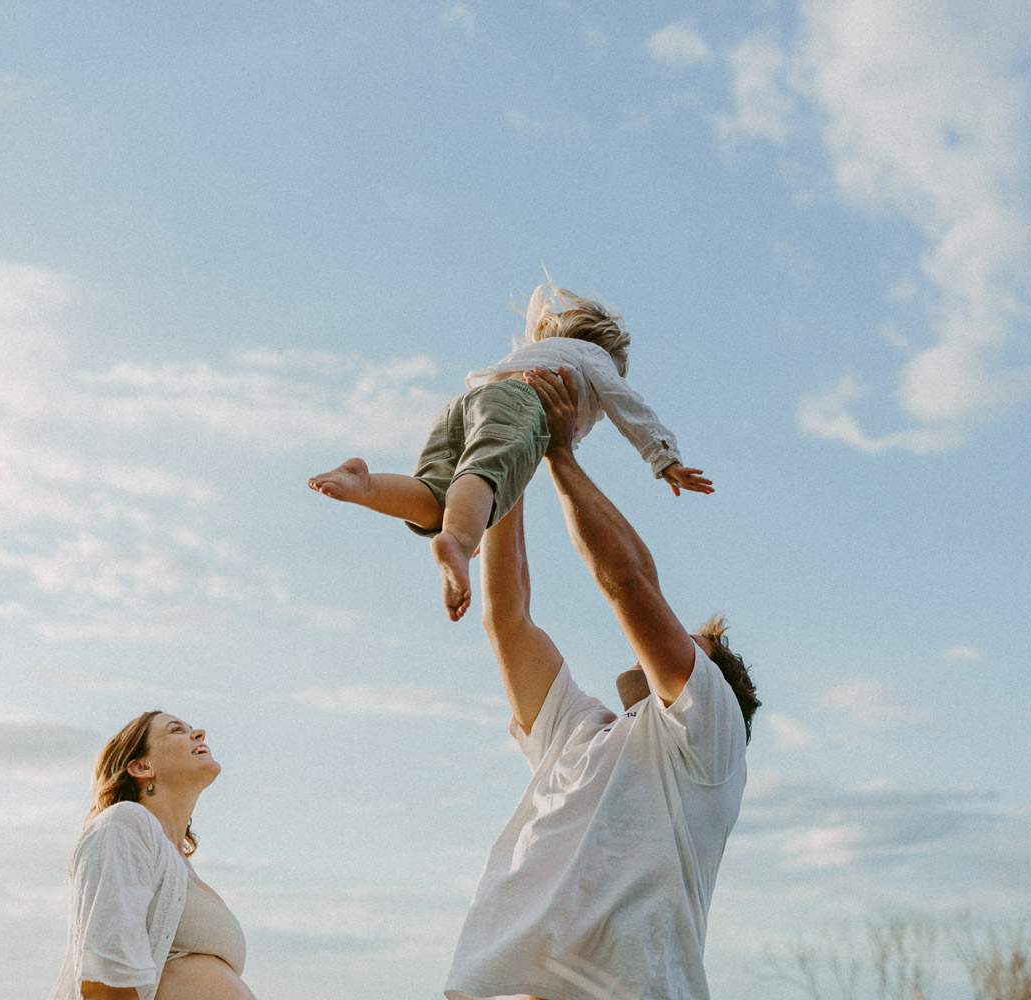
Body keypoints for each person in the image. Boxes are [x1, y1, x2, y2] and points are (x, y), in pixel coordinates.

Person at [443, 366, 760, 1000]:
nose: (663, 636)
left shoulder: (708, 736)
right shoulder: (577, 734)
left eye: (687, 637)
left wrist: (561, 453)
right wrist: (516, 451)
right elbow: (507, 619)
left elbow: (629, 582)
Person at [308, 279, 713, 622]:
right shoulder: (594, 357)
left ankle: (367, 485)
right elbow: (628, 405)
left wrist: (475, 512)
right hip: (518, 405)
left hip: (465, 405)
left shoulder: (536, 354)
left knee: (438, 497)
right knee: (485, 473)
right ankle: (459, 544)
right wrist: (665, 458)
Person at [50, 711, 258, 1000]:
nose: (198, 734)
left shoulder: (180, 866)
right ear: (141, 767)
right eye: (177, 730)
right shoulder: (123, 823)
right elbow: (103, 981)